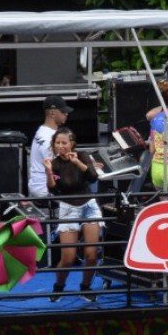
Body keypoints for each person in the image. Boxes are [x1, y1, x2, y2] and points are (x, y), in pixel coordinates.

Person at [44, 128, 105, 299]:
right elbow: (54, 190)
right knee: (68, 257)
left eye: (64, 143)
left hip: (89, 206)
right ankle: (59, 286)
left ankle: (85, 287)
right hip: (68, 207)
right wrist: (48, 171)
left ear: (72, 144)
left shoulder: (82, 156)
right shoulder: (54, 164)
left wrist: (77, 162)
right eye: (57, 143)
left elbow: (93, 177)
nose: (60, 146)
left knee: (91, 255)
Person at [28, 97, 69, 199]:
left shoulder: (42, 131)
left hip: (37, 186)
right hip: (45, 190)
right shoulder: (49, 138)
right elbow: (61, 167)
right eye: (63, 111)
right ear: (52, 113)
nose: (66, 114)